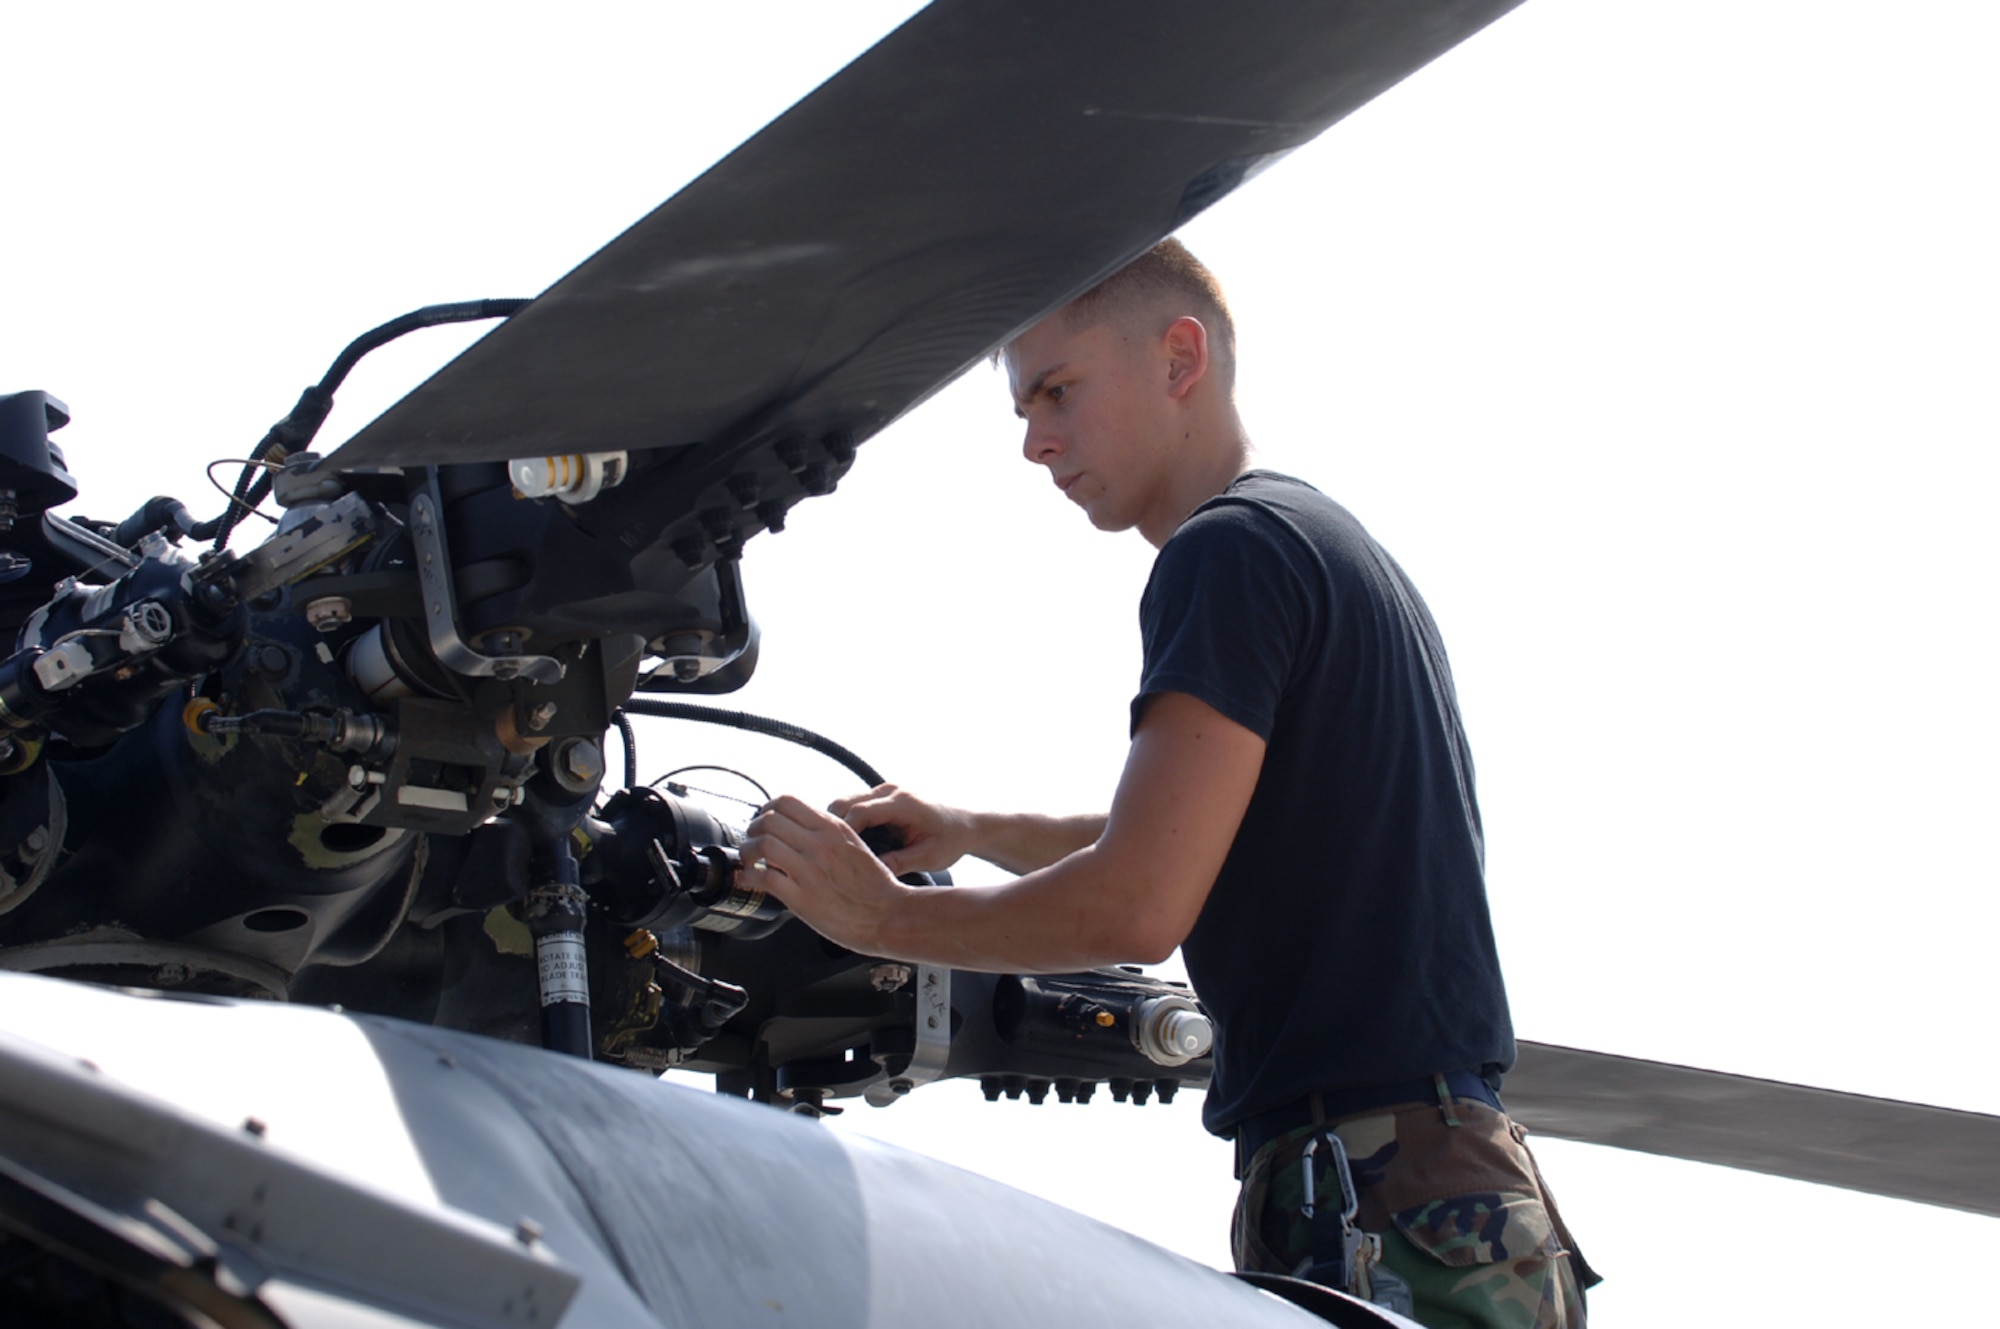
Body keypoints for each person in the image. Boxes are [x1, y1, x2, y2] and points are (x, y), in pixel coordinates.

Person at [740, 238, 1595, 1327]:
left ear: (1178, 357)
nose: (1035, 441)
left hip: (1382, 1198)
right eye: (1021, 413)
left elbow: (1138, 903)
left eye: (1058, 391)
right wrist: (967, 826)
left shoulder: (1226, 554)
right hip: (1442, 1197)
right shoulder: (1316, 542)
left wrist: (877, 920)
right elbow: (1220, 834)